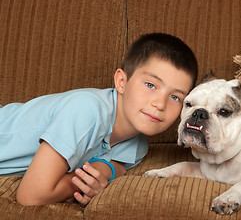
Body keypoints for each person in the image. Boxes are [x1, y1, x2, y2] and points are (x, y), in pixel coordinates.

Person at [0, 33, 198, 206]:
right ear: (122, 82)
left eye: (175, 97)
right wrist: (85, 179)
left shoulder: (138, 147)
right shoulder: (86, 110)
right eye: (150, 85)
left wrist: (108, 170)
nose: (160, 104)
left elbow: (116, 168)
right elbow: (31, 196)